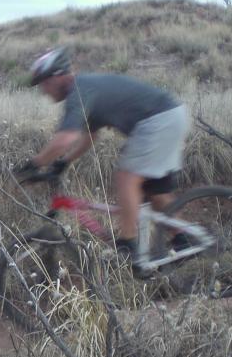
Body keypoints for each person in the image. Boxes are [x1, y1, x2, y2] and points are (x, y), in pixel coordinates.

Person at [17, 46, 191, 268]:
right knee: (156, 192)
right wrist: (63, 162)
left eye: (44, 82)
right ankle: (184, 239)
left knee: (126, 177)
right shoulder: (86, 89)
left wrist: (34, 164)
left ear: (58, 76)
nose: (43, 90)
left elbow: (65, 138)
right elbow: (90, 136)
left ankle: (128, 246)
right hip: (170, 117)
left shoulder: (78, 91)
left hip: (158, 121)